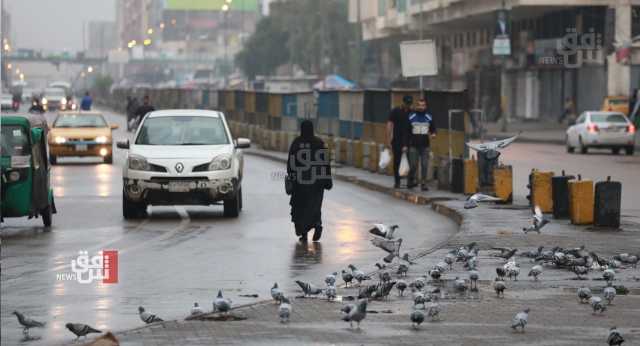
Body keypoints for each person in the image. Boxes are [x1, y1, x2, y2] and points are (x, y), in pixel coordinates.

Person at [287, 120, 332, 243]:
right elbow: (326, 163)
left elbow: (290, 163)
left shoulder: (297, 143)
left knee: (301, 208)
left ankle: (304, 233)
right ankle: (317, 224)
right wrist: (327, 178)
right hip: (317, 183)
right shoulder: (319, 143)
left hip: (300, 184)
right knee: (315, 207)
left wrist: (291, 177)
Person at [407, 98, 437, 191]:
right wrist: (405, 144)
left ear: (425, 106)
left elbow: (433, 129)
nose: (421, 107)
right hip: (413, 145)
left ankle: (423, 183)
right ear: (416, 106)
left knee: (424, 165)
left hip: (425, 145)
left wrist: (433, 134)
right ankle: (411, 179)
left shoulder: (429, 117)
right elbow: (406, 131)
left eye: (423, 105)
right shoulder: (411, 116)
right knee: (413, 165)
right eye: (419, 105)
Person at [387, 95, 413, 188]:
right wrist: (389, 139)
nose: (408, 106)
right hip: (397, 140)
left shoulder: (412, 112)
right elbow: (390, 124)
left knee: (410, 161)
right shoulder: (395, 111)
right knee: (397, 161)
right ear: (403, 102)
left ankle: (410, 181)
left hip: (409, 140)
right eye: (406, 104)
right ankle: (397, 181)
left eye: (409, 104)